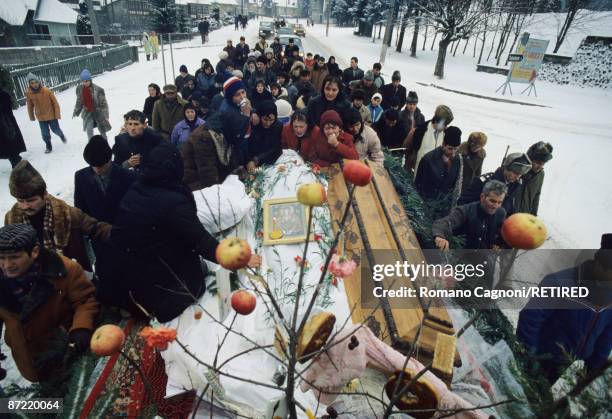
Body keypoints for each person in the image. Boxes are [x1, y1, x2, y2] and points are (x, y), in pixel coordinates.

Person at [106, 143, 260, 321]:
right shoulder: (174, 201)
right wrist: (237, 258)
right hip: (160, 279)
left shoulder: (138, 187)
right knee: (194, 286)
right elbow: (199, 240)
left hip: (130, 272)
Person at [0, 224, 99, 382]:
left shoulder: (65, 269)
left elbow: (85, 300)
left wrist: (81, 328)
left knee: (79, 399)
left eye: (14, 257)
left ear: (34, 252)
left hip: (67, 350)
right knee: (51, 405)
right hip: (29, 358)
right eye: (1, 258)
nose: (6, 265)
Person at [517, 233, 612, 383]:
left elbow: (606, 337)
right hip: (540, 354)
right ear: (600, 265)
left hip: (566, 362)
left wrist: (592, 371)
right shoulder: (559, 282)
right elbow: (531, 317)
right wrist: (529, 354)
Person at [5, 160, 111, 271]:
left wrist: (124, 234)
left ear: (45, 194)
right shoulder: (11, 219)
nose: (25, 206)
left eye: (31, 200)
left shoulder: (68, 214)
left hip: (69, 276)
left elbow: (99, 229)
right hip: (32, 280)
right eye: (20, 201)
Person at [75, 135, 136, 225]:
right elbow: (80, 208)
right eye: (94, 165)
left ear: (109, 159)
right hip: (96, 232)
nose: (97, 169)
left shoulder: (128, 177)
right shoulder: (80, 176)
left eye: (101, 166)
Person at [432, 180, 507, 250]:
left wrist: (498, 245)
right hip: (460, 258)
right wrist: (439, 237)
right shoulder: (465, 211)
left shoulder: (501, 213)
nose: (495, 206)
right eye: (492, 201)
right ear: (482, 197)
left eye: (499, 202)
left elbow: (503, 235)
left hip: (485, 259)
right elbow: (443, 223)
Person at [458, 152, 532, 217]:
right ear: (506, 168)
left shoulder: (515, 185)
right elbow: (463, 203)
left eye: (520, 175)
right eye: (515, 173)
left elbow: (511, 208)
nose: (517, 177)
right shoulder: (483, 182)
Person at [415, 126, 463, 206]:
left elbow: (453, 187)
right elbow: (419, 186)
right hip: (427, 205)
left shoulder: (457, 160)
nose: (453, 153)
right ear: (443, 144)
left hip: (444, 207)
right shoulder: (428, 159)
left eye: (456, 149)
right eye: (450, 149)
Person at [404, 105, 454, 172]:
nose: (445, 127)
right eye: (444, 124)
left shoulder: (445, 135)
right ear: (437, 120)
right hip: (416, 174)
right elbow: (406, 149)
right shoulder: (419, 131)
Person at [25, 72, 67, 153]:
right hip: (41, 117)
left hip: (51, 115)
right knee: (44, 133)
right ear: (30, 84)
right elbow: (30, 106)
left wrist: (57, 114)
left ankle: (61, 135)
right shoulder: (29, 93)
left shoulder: (46, 91)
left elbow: (55, 103)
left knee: (55, 129)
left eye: (36, 82)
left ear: (39, 82)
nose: (35, 84)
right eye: (32, 83)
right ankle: (48, 145)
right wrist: (31, 116)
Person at [73, 69, 111, 140]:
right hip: (87, 113)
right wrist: (76, 111)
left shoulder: (98, 90)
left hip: (98, 112)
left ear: (90, 80)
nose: (85, 83)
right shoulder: (80, 89)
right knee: (89, 130)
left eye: (86, 81)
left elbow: (104, 104)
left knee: (102, 130)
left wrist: (105, 115)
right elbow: (79, 101)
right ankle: (91, 144)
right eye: (83, 81)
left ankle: (105, 143)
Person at [246, 101, 283, 171]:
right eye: (265, 119)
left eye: (271, 120)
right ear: (259, 116)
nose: (268, 123)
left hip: (270, 161)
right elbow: (246, 145)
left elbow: (277, 147)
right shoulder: (254, 125)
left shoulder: (278, 126)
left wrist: (259, 158)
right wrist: (249, 160)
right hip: (251, 161)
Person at [520, 141, 553, 216]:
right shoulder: (518, 170)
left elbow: (536, 195)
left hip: (525, 216)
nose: (540, 167)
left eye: (543, 164)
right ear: (530, 159)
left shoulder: (541, 174)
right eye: (537, 162)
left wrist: (533, 215)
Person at [1, 87, 26, 167]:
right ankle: (16, 159)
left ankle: (16, 164)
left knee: (10, 145)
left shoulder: (3, 94)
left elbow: (7, 107)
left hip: (6, 124)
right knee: (8, 147)